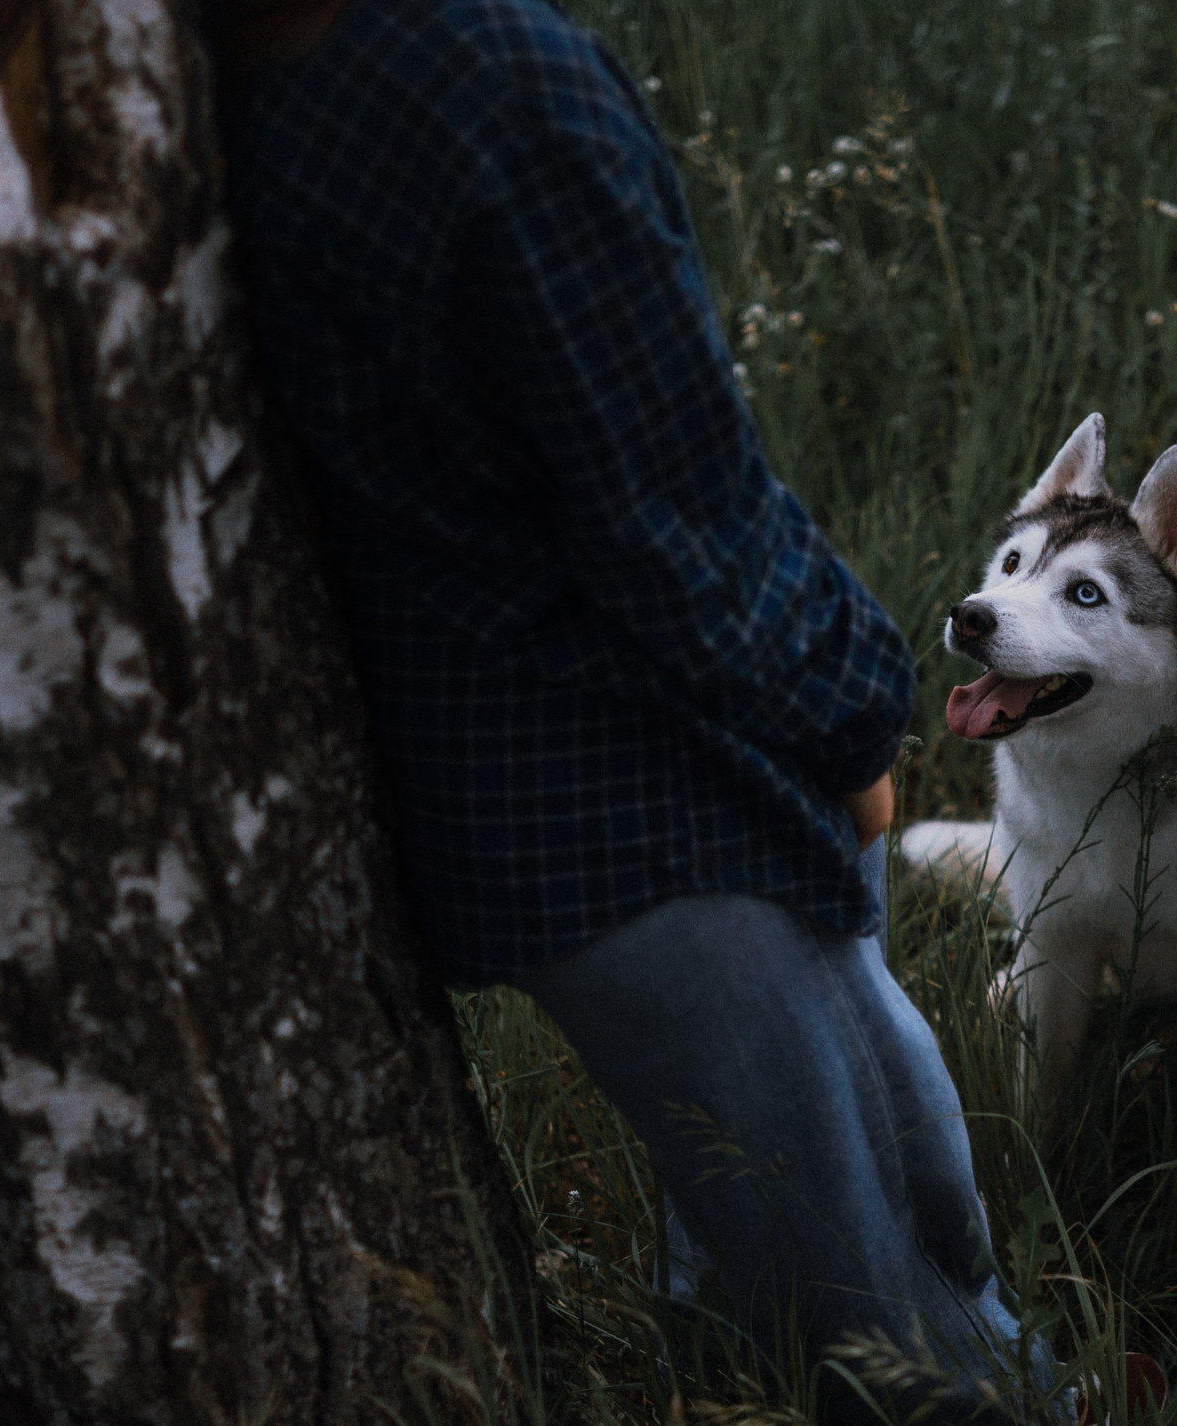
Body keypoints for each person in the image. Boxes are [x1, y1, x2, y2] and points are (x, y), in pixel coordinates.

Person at [216, 0, 1052, 1416]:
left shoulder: (255, 73)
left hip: (511, 775)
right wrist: (854, 710)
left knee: (827, 1190)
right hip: (647, 781)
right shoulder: (489, 80)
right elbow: (677, 512)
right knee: (875, 1295)